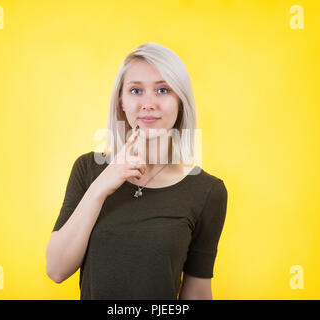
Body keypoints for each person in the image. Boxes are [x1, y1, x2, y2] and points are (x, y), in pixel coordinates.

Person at [45, 42, 228, 300]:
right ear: (121, 101)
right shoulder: (88, 169)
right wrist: (101, 186)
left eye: (163, 90)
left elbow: (197, 291)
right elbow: (56, 269)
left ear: (180, 102)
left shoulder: (207, 191)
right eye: (136, 90)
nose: (148, 103)